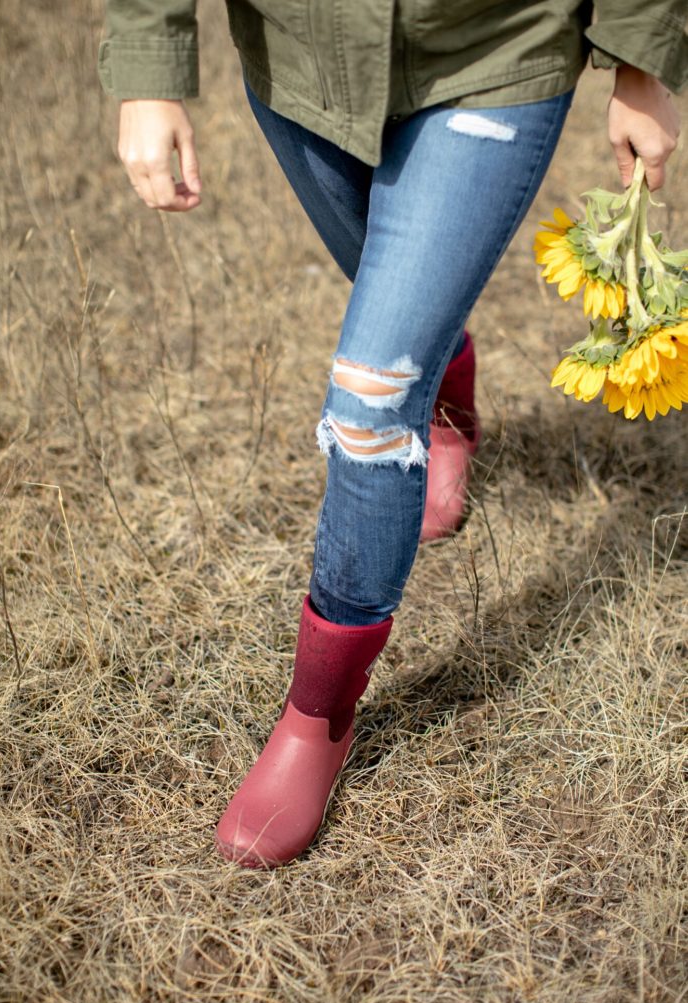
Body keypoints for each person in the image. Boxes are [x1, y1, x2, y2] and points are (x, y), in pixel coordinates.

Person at [98, 1, 686, 869]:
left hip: (496, 44)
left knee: (373, 402)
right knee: (400, 302)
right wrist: (148, 71)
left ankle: (317, 717)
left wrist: (641, 58)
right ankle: (444, 395)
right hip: (300, 55)